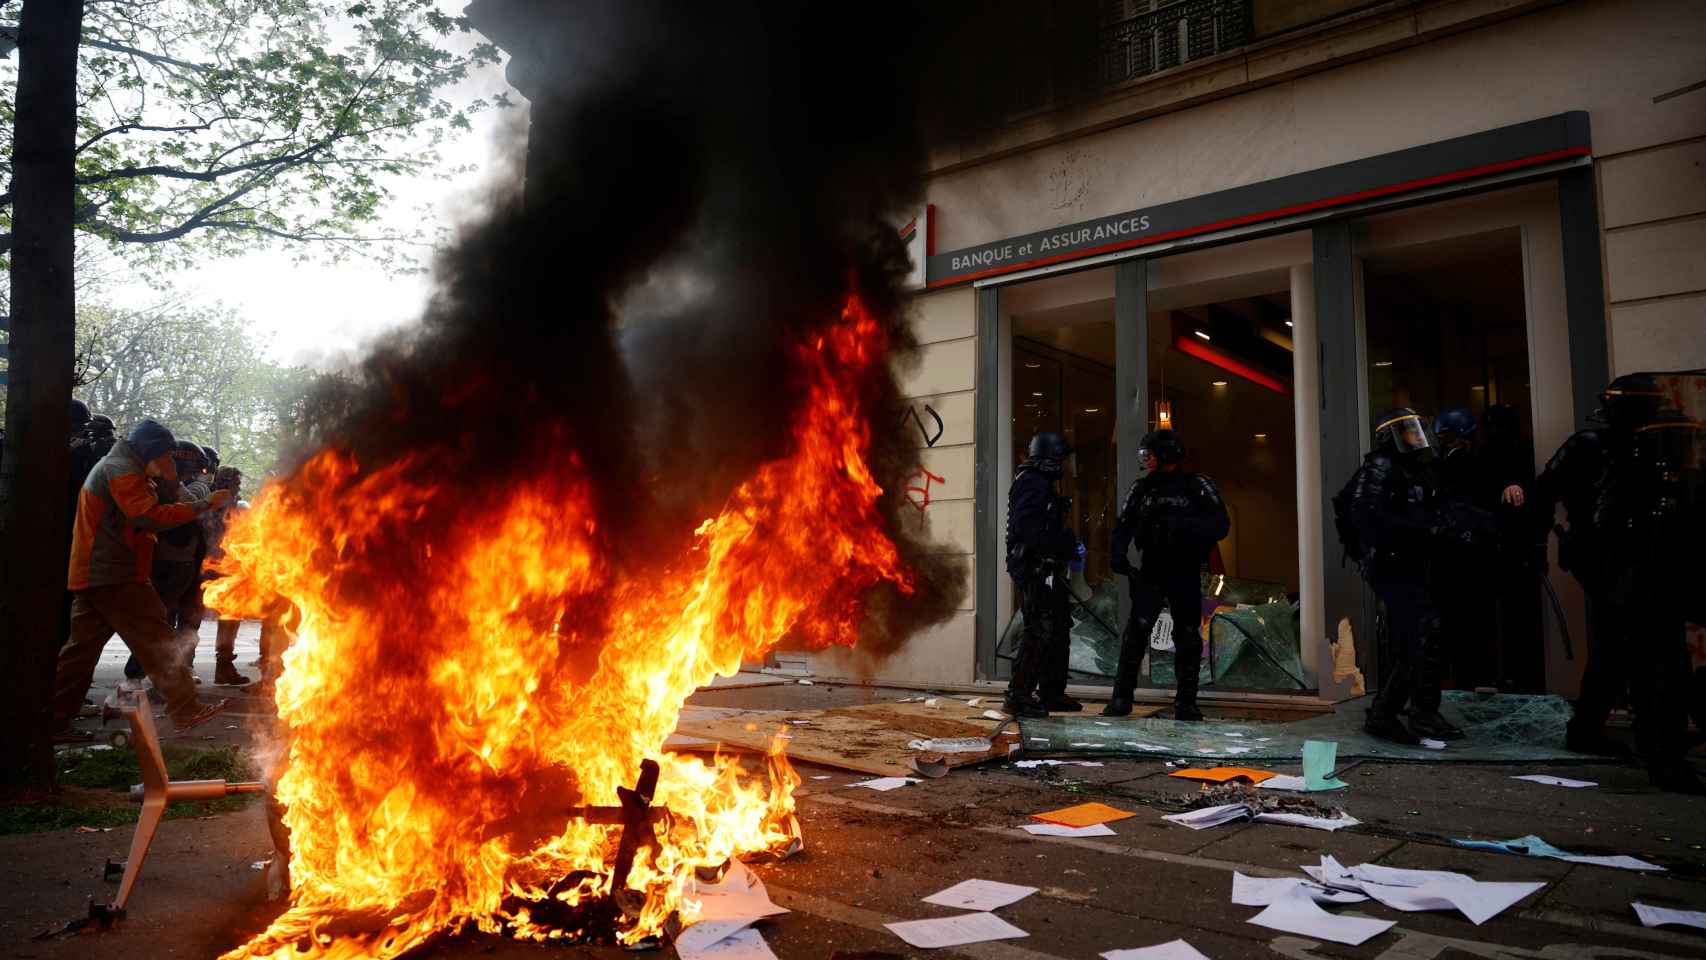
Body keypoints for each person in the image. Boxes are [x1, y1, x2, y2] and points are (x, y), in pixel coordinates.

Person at [50, 420, 232, 736]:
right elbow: (149, 516)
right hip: (115, 574)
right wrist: (204, 504)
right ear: (150, 450)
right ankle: (185, 708)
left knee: (79, 653)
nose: (168, 463)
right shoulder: (121, 470)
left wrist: (170, 476)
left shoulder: (128, 467)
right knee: (159, 640)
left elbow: (167, 499)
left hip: (99, 572)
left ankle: (52, 721)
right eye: (166, 456)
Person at [1576, 374, 1702, 792]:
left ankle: (1656, 748)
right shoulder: (1625, 460)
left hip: (1653, 581)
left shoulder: (1664, 469)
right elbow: (1602, 521)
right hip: (1636, 583)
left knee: (1646, 667)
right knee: (1656, 671)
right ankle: (1661, 756)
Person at [1345, 408, 1466, 744]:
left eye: (1417, 430)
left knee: (1419, 636)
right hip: (1390, 564)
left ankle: (1402, 712)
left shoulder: (1415, 469)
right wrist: (1423, 530)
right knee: (1422, 631)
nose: (1416, 437)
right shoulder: (1381, 467)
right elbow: (1369, 517)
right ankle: (1407, 713)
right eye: (1409, 432)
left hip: (1411, 562)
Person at [1102, 429, 1229, 721]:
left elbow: (1221, 523)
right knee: (1137, 632)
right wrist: (1118, 554)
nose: (1147, 460)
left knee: (1186, 634)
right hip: (1152, 568)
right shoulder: (1142, 488)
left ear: (1166, 455)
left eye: (1152, 454)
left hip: (1184, 569)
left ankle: (1186, 702)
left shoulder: (1198, 485)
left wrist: (1187, 528)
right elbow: (1124, 524)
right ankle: (1121, 698)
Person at [1004, 431, 1082, 718]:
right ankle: (1019, 695)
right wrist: (1062, 542)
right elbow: (1028, 529)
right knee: (1038, 629)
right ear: (1050, 458)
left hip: (1046, 565)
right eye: (1062, 459)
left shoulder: (1042, 484)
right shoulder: (1031, 484)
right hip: (1034, 567)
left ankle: (1051, 691)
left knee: (1059, 626)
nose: (1065, 466)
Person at [204, 465, 251, 685]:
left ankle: (221, 667)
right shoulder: (217, 504)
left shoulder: (209, 502)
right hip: (221, 569)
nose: (236, 487)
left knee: (195, 622)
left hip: (214, 568)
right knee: (228, 619)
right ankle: (221, 667)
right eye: (235, 483)